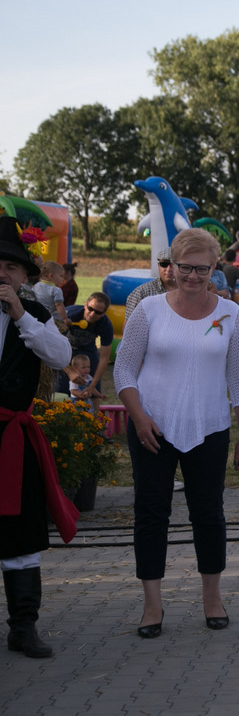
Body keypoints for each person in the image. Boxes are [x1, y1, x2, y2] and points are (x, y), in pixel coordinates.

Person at [114, 228, 239, 638]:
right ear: (171, 267)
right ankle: (152, 606)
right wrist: (139, 418)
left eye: (202, 269)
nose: (193, 276)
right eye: (185, 267)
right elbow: (124, 369)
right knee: (151, 514)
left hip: (209, 428)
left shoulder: (230, 314)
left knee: (209, 515)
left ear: (215, 269)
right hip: (152, 428)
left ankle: (213, 599)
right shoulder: (149, 310)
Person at [0, 216, 76, 658]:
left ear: (26, 275)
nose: (1, 274)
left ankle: (23, 627)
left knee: (21, 533)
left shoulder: (35, 314)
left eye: (9, 267)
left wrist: (20, 316)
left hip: (13, 436)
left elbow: (62, 356)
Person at [57, 293, 113, 402]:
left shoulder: (105, 325)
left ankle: (94, 417)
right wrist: (69, 372)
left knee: (93, 396)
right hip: (65, 354)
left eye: (98, 312)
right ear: (85, 305)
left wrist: (92, 386)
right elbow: (54, 347)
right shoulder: (69, 315)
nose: (92, 314)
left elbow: (104, 358)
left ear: (104, 313)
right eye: (90, 309)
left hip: (88, 354)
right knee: (62, 395)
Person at [125, 249, 177, 315]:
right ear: (158, 266)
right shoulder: (141, 293)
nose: (169, 269)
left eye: (174, 265)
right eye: (164, 264)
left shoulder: (188, 293)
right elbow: (129, 324)